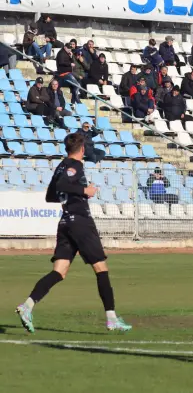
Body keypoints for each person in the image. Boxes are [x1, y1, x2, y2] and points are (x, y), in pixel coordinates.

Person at [15, 133, 132, 334]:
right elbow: (61, 186)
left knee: (59, 271)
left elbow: (50, 195)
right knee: (101, 269)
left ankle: (27, 305)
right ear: (83, 149)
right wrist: (84, 190)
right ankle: (111, 318)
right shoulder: (74, 165)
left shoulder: (61, 165)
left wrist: (71, 194)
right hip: (80, 222)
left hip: (66, 222)